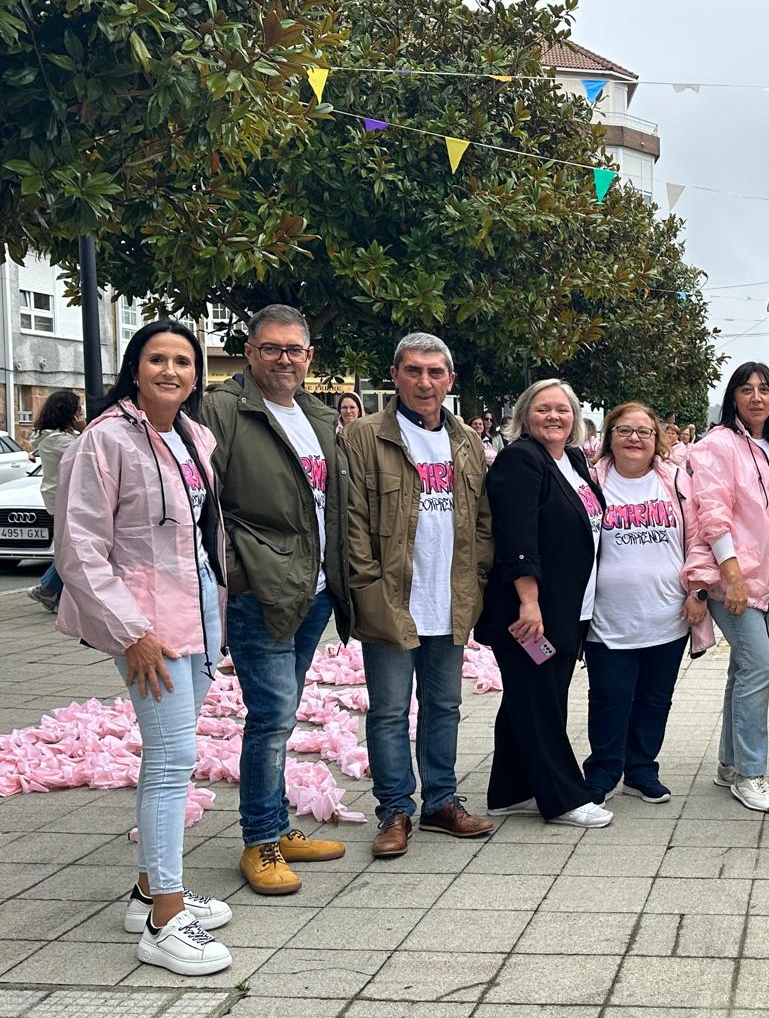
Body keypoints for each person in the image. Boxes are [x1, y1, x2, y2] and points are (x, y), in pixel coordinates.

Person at [54, 319, 232, 975]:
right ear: (135, 368)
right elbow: (79, 548)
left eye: (183, 361)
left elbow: (202, 533)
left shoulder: (193, 435)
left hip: (198, 617)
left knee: (174, 759)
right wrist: (130, 633)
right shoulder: (104, 441)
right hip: (147, 627)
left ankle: (147, 891)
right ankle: (163, 921)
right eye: (158, 359)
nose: (171, 371)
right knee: (171, 760)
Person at [201, 304, 350, 895]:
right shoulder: (222, 410)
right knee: (270, 717)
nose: (283, 359)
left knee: (282, 714)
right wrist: (238, 569)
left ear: (309, 356)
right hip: (260, 588)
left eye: (294, 350)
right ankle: (260, 840)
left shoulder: (316, 415)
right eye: (270, 348)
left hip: (313, 589)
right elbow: (205, 503)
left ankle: (278, 826)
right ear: (249, 351)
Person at [344, 333, 496, 857]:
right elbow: (353, 522)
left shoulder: (467, 442)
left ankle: (440, 802)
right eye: (413, 371)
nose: (424, 382)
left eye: (435, 372)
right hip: (390, 599)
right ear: (395, 376)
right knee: (389, 711)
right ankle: (394, 811)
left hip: (449, 599)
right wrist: (368, 589)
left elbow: (481, 521)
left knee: (444, 706)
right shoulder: (364, 437)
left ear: (450, 380)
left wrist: (475, 582)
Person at [481, 379, 613, 828]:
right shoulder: (521, 459)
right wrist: (529, 602)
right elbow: (516, 536)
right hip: (531, 611)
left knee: (532, 695)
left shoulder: (572, 459)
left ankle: (508, 791)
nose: (553, 417)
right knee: (540, 700)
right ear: (524, 415)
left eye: (562, 409)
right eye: (543, 409)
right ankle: (563, 798)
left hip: (569, 605)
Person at [584, 403, 713, 804]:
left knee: (655, 700)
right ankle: (603, 772)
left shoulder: (675, 481)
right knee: (609, 699)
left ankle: (641, 770)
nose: (634, 438)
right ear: (609, 437)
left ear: (657, 440)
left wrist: (699, 592)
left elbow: (699, 539)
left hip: (668, 616)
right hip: (608, 619)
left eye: (644, 431)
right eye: (624, 430)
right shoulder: (591, 482)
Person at [691, 363, 769, 813]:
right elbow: (713, 511)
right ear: (733, 397)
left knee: (744, 669)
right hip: (736, 575)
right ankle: (751, 774)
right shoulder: (719, 444)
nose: (756, 397)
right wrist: (731, 574)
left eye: (764, 389)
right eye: (746, 389)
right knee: (760, 667)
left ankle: (729, 763)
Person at [26, 389, 85, 614]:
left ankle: (50, 590)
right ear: (67, 413)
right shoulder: (57, 439)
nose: (81, 415)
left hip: (65, 498)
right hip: (65, 500)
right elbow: (89, 453)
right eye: (78, 411)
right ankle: (47, 589)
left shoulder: (55, 436)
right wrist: (85, 429)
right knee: (73, 548)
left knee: (72, 547)